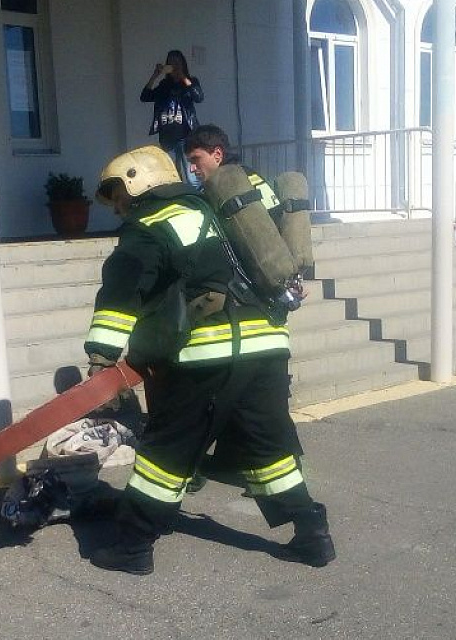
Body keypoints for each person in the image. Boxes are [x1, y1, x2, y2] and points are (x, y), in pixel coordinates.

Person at [83, 145, 336, 575]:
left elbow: (121, 294)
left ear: (136, 180)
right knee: (269, 445)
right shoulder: (217, 210)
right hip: (268, 345)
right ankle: (313, 535)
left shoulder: (149, 224)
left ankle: (133, 544)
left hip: (206, 355)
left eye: (117, 194)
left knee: (166, 450)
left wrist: (102, 356)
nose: (118, 207)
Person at [140, 50, 204, 187]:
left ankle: (198, 204)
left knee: (192, 177)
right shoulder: (164, 85)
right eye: (170, 62)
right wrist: (155, 75)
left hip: (186, 136)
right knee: (173, 177)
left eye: (176, 61)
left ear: (182, 63)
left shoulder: (190, 81)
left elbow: (198, 96)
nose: (173, 65)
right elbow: (144, 97)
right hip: (167, 138)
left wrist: (183, 77)